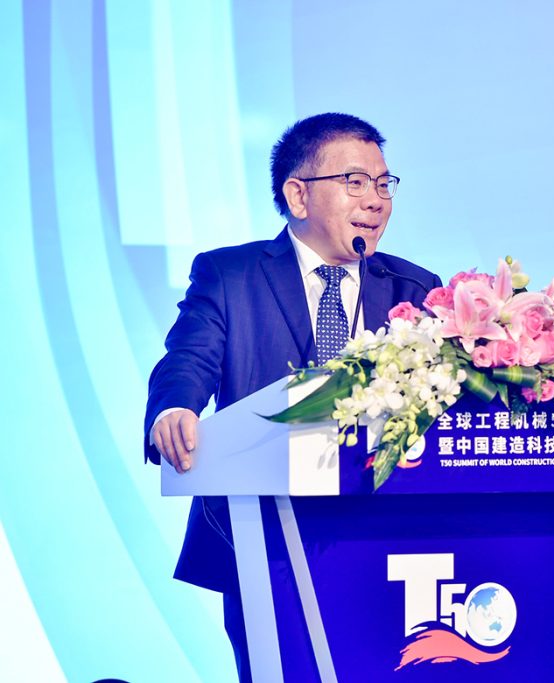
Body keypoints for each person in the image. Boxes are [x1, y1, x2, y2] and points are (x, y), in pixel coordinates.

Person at [144, 113, 441, 678]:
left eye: (384, 183)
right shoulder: (231, 275)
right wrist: (175, 407)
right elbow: (189, 357)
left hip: (392, 537)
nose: (376, 200)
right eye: (354, 181)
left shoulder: (415, 289)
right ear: (298, 195)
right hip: (265, 535)